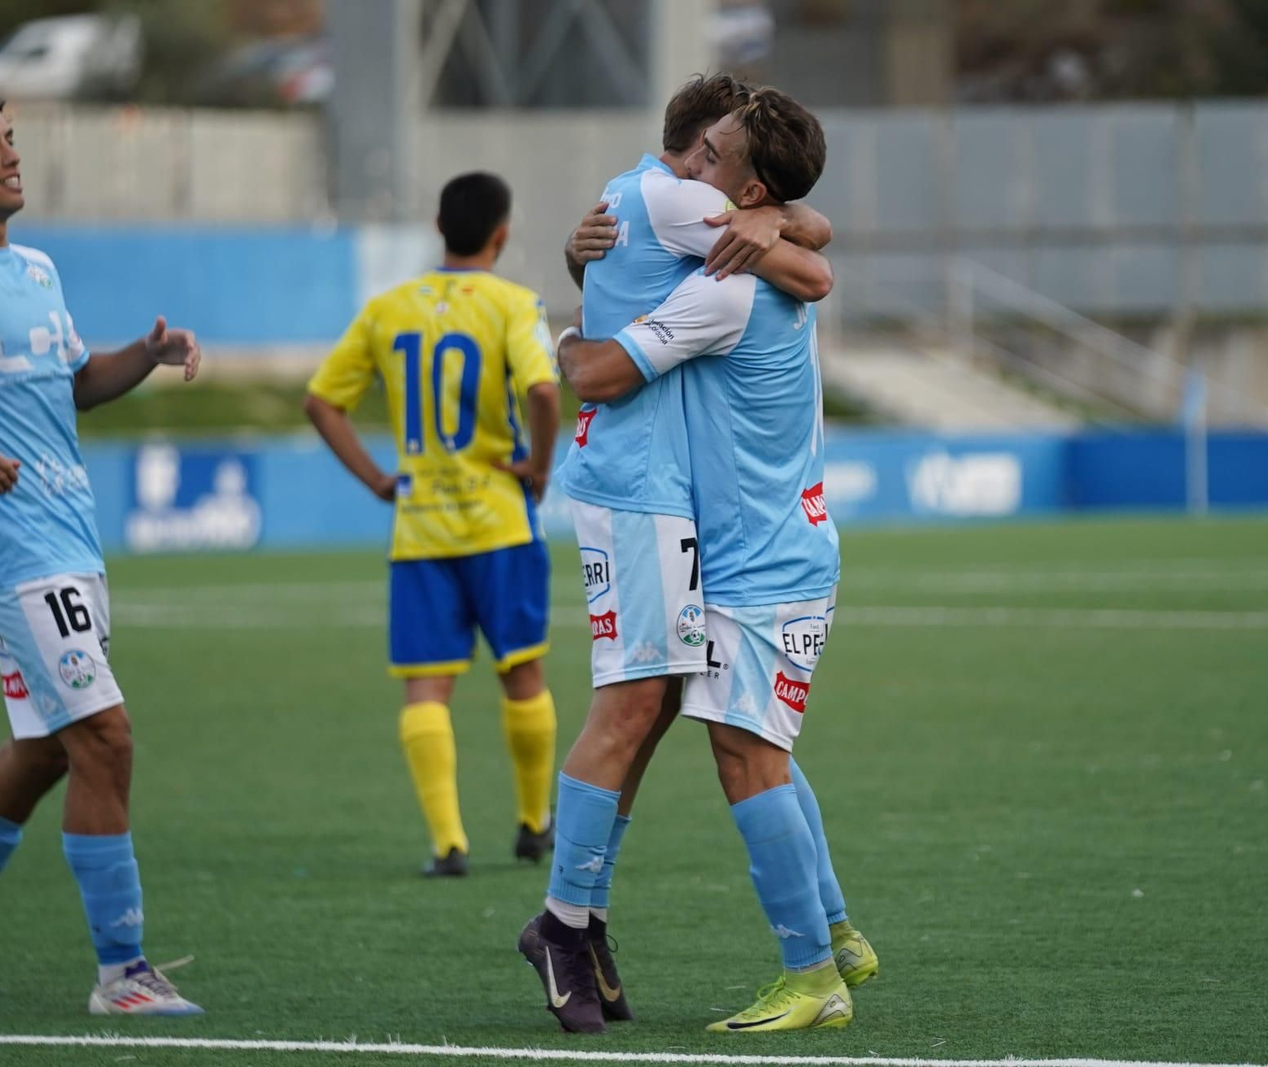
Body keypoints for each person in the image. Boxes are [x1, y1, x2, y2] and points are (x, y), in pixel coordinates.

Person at [516, 75, 872, 1035]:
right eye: (702, 152)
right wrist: (786, 228)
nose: (699, 171)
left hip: (756, 558)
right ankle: (829, 933)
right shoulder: (708, 235)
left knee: (736, 748)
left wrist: (559, 331)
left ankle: (804, 968)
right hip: (739, 541)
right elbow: (814, 253)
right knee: (713, 729)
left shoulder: (721, 289)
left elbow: (592, 371)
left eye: (718, 164)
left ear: (742, 196)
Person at [0, 71, 202, 1015]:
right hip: (14, 552)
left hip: (70, 540)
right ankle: (122, 972)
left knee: (47, 747)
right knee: (106, 736)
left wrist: (149, 353)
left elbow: (78, 380)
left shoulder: (34, 268)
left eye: (10, 138)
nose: (9, 154)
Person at [304, 172, 560, 878]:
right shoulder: (514, 303)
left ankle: (448, 841)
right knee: (523, 672)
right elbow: (542, 390)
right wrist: (539, 465)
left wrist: (378, 478)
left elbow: (322, 402)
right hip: (501, 522)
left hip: (421, 527)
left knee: (426, 688)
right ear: (501, 235)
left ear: (439, 230)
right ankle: (535, 820)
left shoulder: (389, 308)